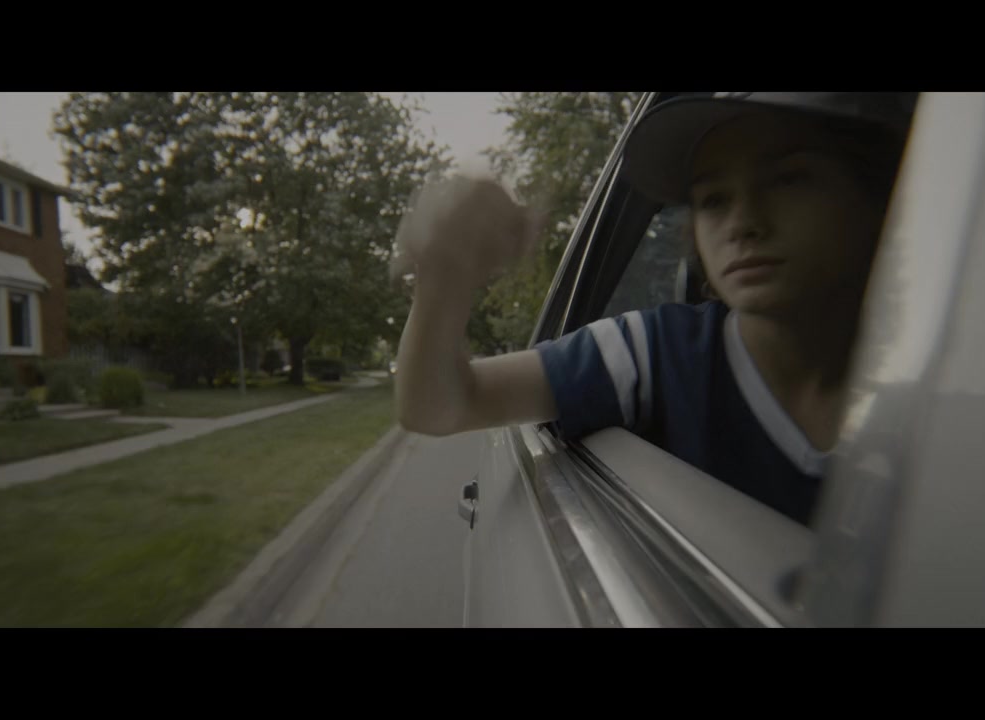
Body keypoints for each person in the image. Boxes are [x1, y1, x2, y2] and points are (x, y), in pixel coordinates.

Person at [392, 92, 916, 524]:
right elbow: (439, 405)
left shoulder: (934, 398)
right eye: (713, 199)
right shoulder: (654, 355)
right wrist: (445, 275)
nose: (744, 222)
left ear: (880, 201)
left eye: (788, 179)